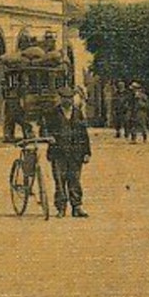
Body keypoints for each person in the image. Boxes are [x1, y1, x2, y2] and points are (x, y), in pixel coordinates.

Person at [45, 85, 92, 218]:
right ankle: (61, 208)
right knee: (59, 181)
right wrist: (49, 137)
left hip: (76, 153)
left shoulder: (78, 113)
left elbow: (84, 133)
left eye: (70, 98)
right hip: (58, 152)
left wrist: (87, 152)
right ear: (60, 99)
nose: (68, 100)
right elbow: (45, 128)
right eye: (65, 98)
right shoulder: (53, 113)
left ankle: (77, 207)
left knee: (75, 180)